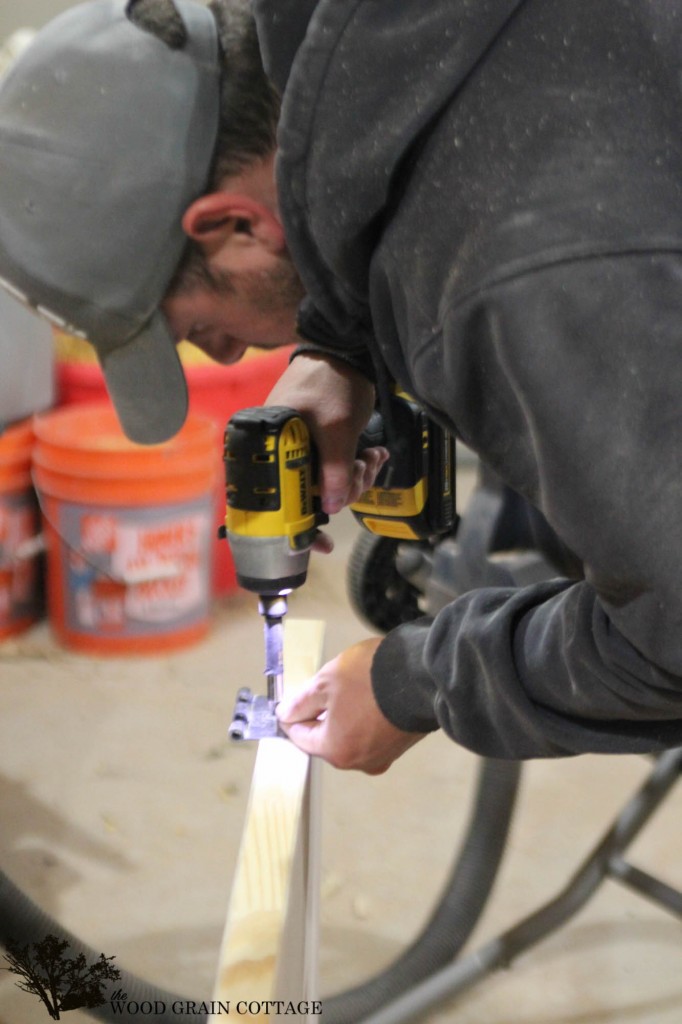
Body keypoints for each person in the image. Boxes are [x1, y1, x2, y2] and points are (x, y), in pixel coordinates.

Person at [1, 0, 681, 774]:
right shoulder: (350, 41)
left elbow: (675, 631)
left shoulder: (524, 284)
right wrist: (339, 342)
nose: (225, 358)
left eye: (198, 330)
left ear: (238, 226)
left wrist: (416, 681)